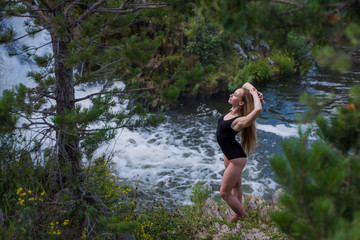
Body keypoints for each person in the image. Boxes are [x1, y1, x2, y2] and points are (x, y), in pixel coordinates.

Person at [216, 82, 264, 222]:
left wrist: (254, 95)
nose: (231, 95)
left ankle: (245, 219)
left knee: (224, 193)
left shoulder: (240, 121)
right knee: (236, 185)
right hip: (228, 153)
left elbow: (258, 110)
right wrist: (254, 90)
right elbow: (246, 84)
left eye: (235, 95)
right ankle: (237, 213)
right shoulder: (232, 111)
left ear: (242, 103)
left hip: (236, 159)